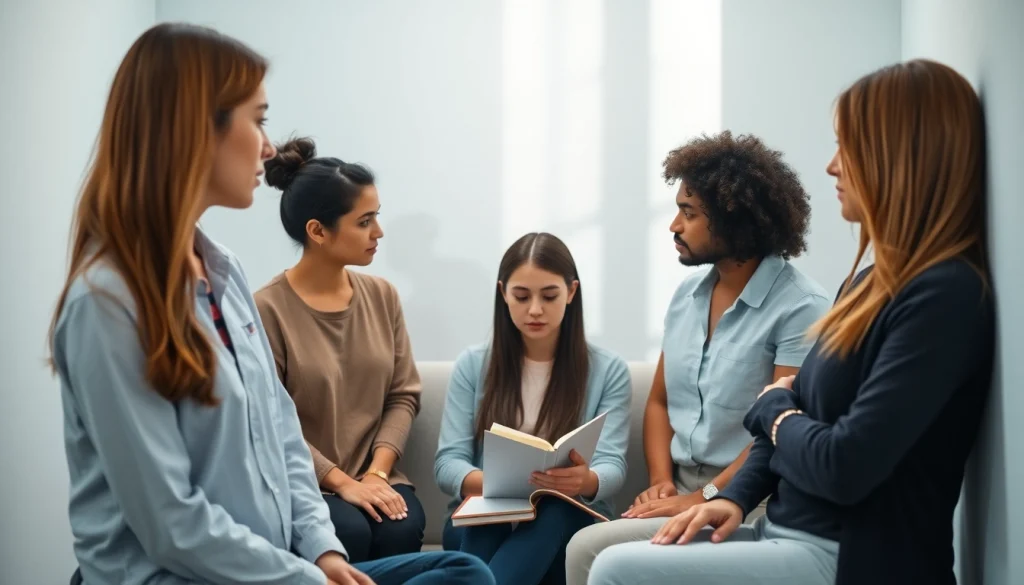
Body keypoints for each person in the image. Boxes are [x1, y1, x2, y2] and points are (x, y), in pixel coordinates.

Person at [49, 23, 493, 585]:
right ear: (193, 129)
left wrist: (326, 556)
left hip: (280, 563)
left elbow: (281, 433)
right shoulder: (107, 306)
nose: (267, 145)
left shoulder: (223, 272)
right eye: (256, 119)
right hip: (185, 576)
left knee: (462, 571)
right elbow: (172, 526)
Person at [586, 59, 993, 585]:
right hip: (785, 527)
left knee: (615, 570)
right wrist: (733, 496)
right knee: (603, 557)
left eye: (847, 147)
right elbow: (796, 414)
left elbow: (842, 463)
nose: (831, 166)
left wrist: (775, 413)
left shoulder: (945, 295)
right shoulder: (866, 287)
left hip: (847, 554)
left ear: (901, 157)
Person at [565, 131, 830, 584]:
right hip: (684, 488)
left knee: (587, 550)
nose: (674, 225)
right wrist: (662, 481)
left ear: (733, 220)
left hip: (750, 497)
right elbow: (660, 403)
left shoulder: (801, 307)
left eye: (689, 213)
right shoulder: (687, 294)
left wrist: (702, 496)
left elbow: (777, 431)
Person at [255, 137, 426, 562]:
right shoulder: (265, 309)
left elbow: (403, 395)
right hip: (308, 484)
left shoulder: (382, 296)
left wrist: (376, 473)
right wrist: (341, 482)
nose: (379, 232)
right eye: (365, 221)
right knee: (347, 530)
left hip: (377, 475)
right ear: (318, 231)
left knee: (400, 529)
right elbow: (269, 419)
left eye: (377, 217)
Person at [434, 233, 632, 585]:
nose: (535, 309)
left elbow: (612, 466)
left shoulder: (608, 370)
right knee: (486, 523)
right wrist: (496, 485)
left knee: (552, 512)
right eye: (521, 297)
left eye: (549, 296)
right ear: (503, 294)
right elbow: (448, 463)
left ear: (571, 292)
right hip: (486, 513)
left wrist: (584, 480)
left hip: (569, 517)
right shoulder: (473, 364)